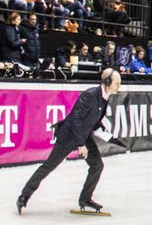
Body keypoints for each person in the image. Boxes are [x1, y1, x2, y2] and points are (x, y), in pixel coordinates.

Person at [17, 68, 121, 214]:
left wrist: (111, 138)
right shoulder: (90, 95)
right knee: (49, 166)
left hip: (83, 136)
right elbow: (75, 120)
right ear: (107, 82)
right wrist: (81, 144)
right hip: (69, 136)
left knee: (97, 165)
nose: (119, 86)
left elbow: (94, 123)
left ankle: (85, 198)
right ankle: (24, 196)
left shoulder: (105, 98)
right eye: (117, 83)